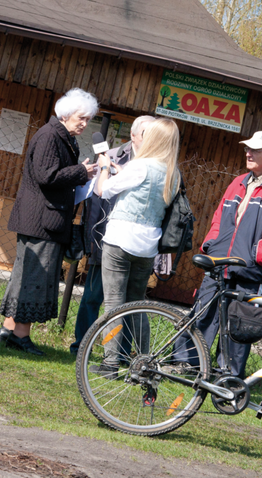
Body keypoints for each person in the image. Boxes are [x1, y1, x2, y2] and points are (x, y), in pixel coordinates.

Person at [173, 131, 262, 378]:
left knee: (239, 324)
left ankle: (226, 374)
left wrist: (254, 257)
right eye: (247, 149)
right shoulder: (238, 181)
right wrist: (211, 246)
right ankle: (186, 364)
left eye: (255, 150)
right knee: (203, 312)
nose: (248, 153)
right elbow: (219, 219)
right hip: (218, 265)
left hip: (249, 270)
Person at [0, 88, 98, 355]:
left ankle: (8, 330)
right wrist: (81, 172)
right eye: (81, 118)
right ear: (65, 114)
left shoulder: (62, 136)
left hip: (44, 219)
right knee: (34, 278)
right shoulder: (50, 135)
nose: (85, 124)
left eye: (88, 119)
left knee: (25, 277)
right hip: (41, 220)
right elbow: (46, 175)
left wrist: (79, 172)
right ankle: (20, 336)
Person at [89, 118, 181, 377]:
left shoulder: (140, 165)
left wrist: (105, 167)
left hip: (120, 240)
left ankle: (110, 363)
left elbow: (102, 191)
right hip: (148, 247)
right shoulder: (173, 172)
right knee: (138, 304)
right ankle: (145, 363)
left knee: (114, 304)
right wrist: (121, 171)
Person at [69, 115, 155, 355]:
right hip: (106, 240)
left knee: (127, 304)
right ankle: (81, 348)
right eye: (147, 133)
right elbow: (95, 199)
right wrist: (94, 241)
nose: (152, 139)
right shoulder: (114, 156)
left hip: (138, 245)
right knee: (93, 297)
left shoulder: (158, 161)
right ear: (134, 135)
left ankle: (122, 354)